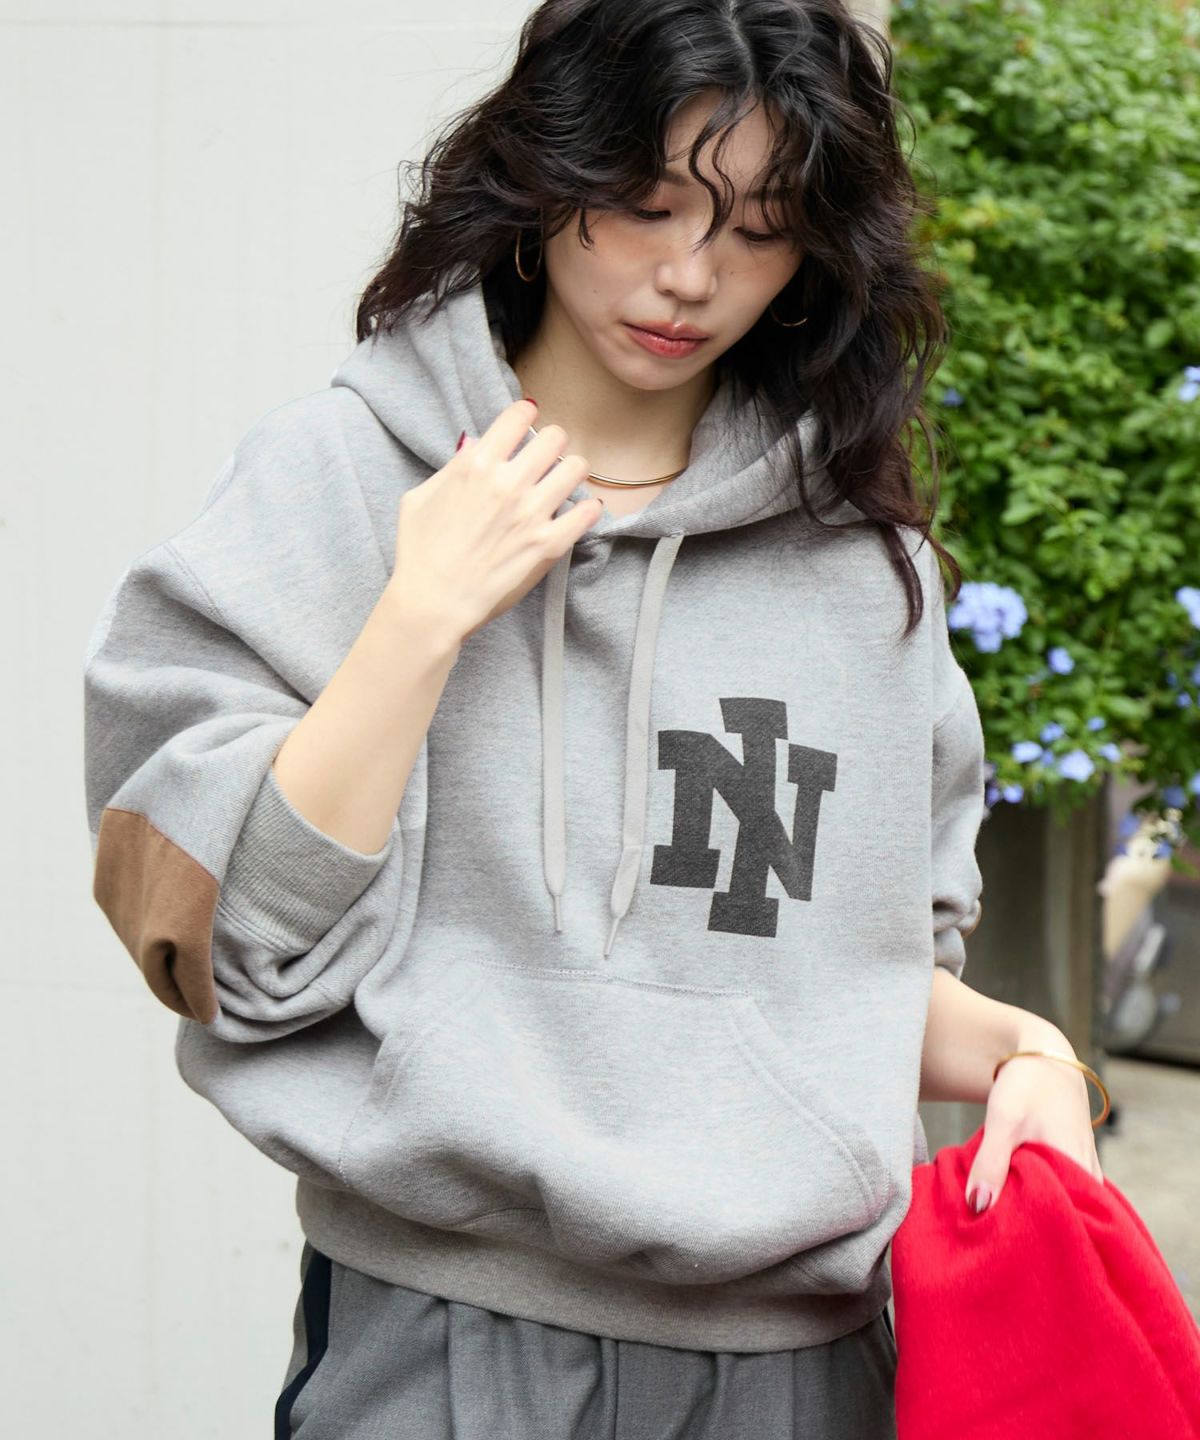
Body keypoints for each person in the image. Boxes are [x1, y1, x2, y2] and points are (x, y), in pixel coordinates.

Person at [83, 1, 1103, 1434]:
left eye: (758, 230)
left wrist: (1028, 1054)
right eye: (645, 204)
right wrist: (421, 617)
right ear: (544, 175)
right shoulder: (338, 483)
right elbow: (231, 949)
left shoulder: (861, 573)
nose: (690, 275)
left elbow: (845, 986)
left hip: (799, 1371)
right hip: (443, 1344)